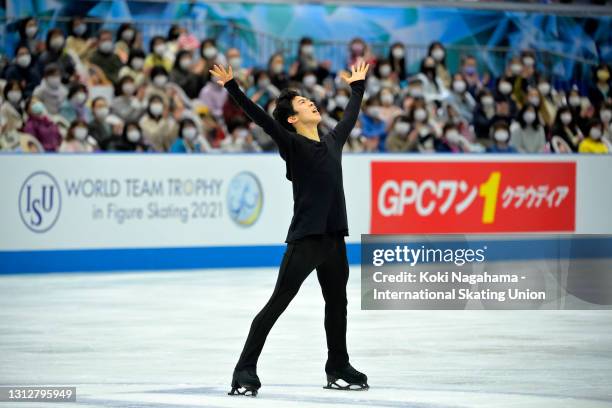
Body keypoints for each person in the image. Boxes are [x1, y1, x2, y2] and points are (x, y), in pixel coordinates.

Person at [210, 61, 370, 396]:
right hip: (306, 238)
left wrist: (357, 87)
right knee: (278, 302)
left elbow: (349, 118)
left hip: (333, 237)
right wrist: (232, 87)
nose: (310, 103)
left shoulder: (331, 142)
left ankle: (337, 365)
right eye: (301, 103)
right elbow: (263, 119)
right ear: (293, 119)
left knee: (337, 303)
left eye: (308, 100)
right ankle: (244, 370)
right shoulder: (292, 145)